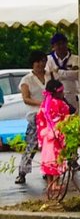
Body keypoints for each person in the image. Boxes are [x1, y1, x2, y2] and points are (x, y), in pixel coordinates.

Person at [15, 49, 48, 185]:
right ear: (33, 63)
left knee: (49, 144)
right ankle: (22, 172)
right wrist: (42, 103)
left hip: (50, 115)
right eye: (37, 62)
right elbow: (26, 98)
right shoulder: (26, 80)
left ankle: (49, 170)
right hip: (35, 115)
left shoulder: (51, 75)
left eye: (43, 61)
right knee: (32, 144)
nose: (40, 64)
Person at [36, 78, 72, 180]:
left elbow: (39, 122)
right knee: (57, 158)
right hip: (57, 135)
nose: (63, 94)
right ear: (57, 92)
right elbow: (65, 119)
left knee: (48, 159)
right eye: (61, 91)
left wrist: (41, 138)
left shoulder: (44, 105)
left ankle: (50, 183)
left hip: (46, 137)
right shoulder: (61, 104)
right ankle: (55, 183)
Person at [47, 32, 80, 112]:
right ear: (53, 46)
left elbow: (77, 74)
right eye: (58, 44)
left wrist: (58, 71)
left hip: (72, 95)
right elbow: (50, 78)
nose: (61, 46)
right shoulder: (48, 60)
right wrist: (68, 73)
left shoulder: (76, 59)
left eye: (63, 43)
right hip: (56, 98)